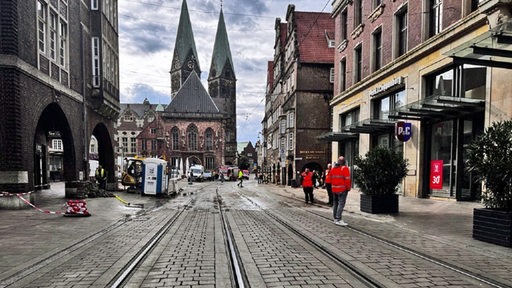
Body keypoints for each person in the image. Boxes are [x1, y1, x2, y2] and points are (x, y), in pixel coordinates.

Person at [330, 156, 351, 226]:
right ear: (344, 162)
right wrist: (348, 188)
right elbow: (347, 180)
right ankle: (338, 219)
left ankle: (335, 218)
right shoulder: (345, 169)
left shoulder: (333, 169)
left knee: (335, 204)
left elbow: (330, 179)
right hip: (342, 189)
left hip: (334, 189)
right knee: (341, 204)